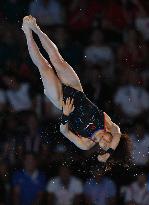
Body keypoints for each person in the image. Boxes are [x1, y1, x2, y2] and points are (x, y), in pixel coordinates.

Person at [21, 15, 131, 166]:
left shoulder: (85, 143)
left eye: (103, 147)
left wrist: (65, 115)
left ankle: (27, 33)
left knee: (44, 66)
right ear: (111, 137)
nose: (104, 142)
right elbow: (118, 134)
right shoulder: (109, 125)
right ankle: (36, 28)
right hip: (76, 88)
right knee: (57, 58)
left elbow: (63, 131)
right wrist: (109, 154)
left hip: (61, 101)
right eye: (108, 142)